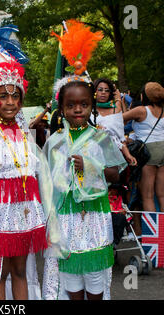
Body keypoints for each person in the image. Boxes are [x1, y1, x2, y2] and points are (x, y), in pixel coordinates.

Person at [0, 39, 63, 300]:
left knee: (21, 271)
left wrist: (48, 212)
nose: (10, 101)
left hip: (25, 213)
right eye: (3, 96)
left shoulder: (26, 137)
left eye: (15, 95)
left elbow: (42, 177)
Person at [42, 78, 126, 300]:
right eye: (70, 105)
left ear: (92, 106)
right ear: (61, 108)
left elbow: (115, 174)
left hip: (94, 213)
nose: (77, 109)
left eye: (84, 104)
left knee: (94, 272)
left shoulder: (100, 137)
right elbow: (46, 181)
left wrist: (90, 166)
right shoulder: (55, 141)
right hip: (66, 214)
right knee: (70, 271)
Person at [123, 82, 164, 234]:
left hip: (148, 151)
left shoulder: (141, 110)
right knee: (163, 194)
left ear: (144, 95)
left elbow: (117, 120)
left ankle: (154, 234)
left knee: (148, 196)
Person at [94, 78, 137, 166]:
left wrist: (128, 155)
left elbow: (121, 138)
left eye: (107, 90)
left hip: (113, 155)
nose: (103, 92)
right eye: (100, 90)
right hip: (92, 154)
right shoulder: (88, 109)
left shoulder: (115, 111)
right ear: (94, 91)